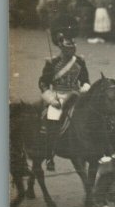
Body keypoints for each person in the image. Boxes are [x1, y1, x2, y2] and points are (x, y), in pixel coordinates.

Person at [38, 32, 91, 170]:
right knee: (51, 119)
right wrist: (51, 98)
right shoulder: (52, 62)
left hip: (76, 95)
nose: (72, 48)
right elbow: (43, 83)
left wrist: (85, 87)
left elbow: (85, 80)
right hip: (58, 97)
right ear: (61, 46)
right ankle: (50, 154)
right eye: (68, 46)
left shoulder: (80, 61)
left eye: (73, 45)